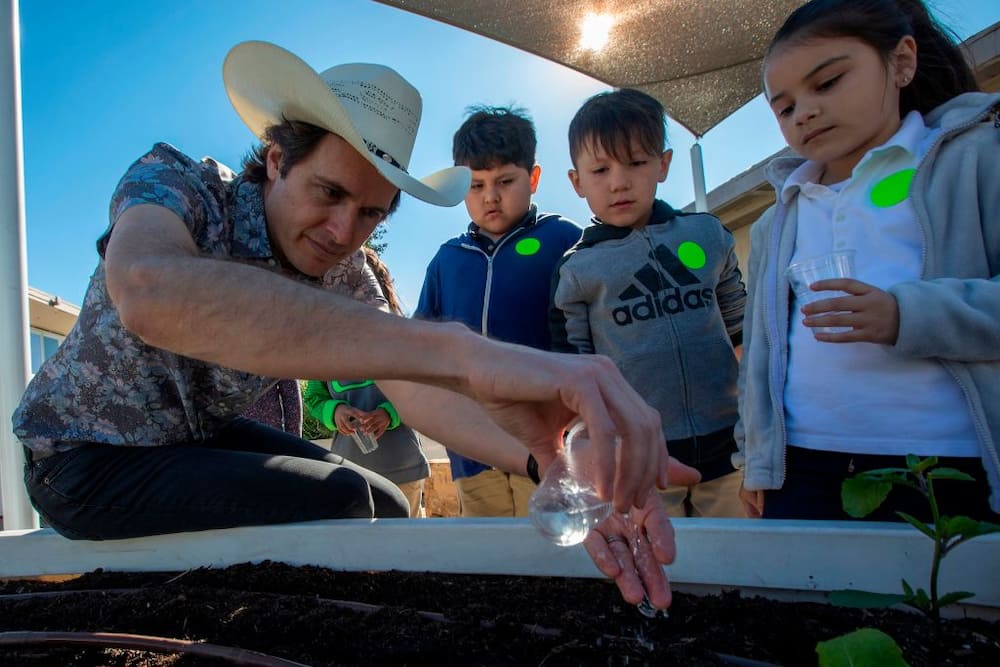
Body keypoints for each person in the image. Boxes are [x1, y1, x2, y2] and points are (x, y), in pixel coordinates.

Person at [11, 40, 698, 610]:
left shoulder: (349, 270)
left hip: (195, 437)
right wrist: (459, 349)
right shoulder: (180, 184)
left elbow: (418, 387)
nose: (344, 231)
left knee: (384, 499)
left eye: (371, 213)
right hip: (84, 459)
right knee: (342, 500)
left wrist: (552, 462)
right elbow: (148, 291)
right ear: (278, 159)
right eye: (330, 193)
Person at [736, 0, 999, 521]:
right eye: (785, 108)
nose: (805, 112)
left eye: (828, 82)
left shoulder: (973, 161)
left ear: (902, 62)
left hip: (952, 464)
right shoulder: (778, 218)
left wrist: (907, 315)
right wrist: (755, 458)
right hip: (803, 469)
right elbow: (762, 354)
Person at [550, 88, 747, 518]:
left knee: (740, 567)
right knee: (663, 566)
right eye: (600, 169)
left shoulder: (708, 235)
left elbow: (745, 334)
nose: (619, 182)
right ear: (577, 182)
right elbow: (574, 372)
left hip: (732, 449)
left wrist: (759, 434)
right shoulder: (577, 269)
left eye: (636, 163)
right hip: (638, 459)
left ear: (663, 164)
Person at [414, 106, 582, 517]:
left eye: (505, 181)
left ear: (534, 178)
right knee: (492, 564)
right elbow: (421, 346)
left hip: (550, 448)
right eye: (475, 185)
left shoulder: (566, 240)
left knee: (558, 561)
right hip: (471, 454)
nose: (490, 196)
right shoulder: (446, 260)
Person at [304, 247, 430, 518]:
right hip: (349, 474)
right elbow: (314, 397)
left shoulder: (399, 339)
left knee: (408, 545)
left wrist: (389, 414)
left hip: (403, 469)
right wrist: (334, 411)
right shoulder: (322, 348)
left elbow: (419, 393)